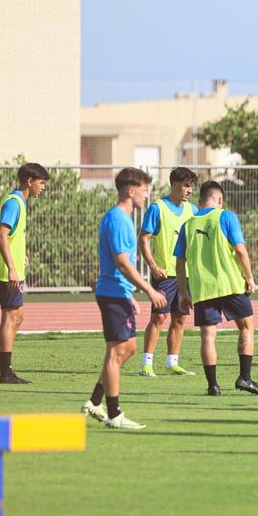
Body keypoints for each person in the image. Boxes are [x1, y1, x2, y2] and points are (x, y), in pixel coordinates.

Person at [81, 168, 167, 430]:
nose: (147, 194)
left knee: (125, 350)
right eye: (144, 189)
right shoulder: (118, 219)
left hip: (118, 292)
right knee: (118, 352)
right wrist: (149, 290)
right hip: (111, 292)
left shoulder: (122, 218)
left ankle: (95, 401)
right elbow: (122, 263)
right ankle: (114, 414)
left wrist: (128, 294)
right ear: (131, 191)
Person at [175, 180, 258, 396]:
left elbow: (180, 262)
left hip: (202, 289)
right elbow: (240, 250)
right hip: (229, 284)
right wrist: (250, 277)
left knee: (207, 336)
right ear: (220, 199)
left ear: (201, 199)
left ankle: (213, 386)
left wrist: (184, 293)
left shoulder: (188, 225)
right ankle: (245, 378)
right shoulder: (226, 216)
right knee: (246, 327)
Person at [0, 162, 50, 384]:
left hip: (13, 267)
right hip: (7, 270)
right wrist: (12, 267)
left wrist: (19, 254)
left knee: (18, 316)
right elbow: (1, 234)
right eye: (41, 183)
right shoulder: (15, 203)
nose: (43, 187)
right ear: (30, 181)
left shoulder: (15, 201)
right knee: (10, 316)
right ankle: (6, 372)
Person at [138, 166, 198, 377]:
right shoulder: (158, 208)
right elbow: (144, 239)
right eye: (186, 186)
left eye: (191, 187)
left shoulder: (193, 210)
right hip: (164, 275)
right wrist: (153, 266)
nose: (190, 190)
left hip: (186, 274)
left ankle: (172, 362)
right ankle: (146, 363)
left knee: (180, 318)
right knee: (159, 318)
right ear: (174, 185)